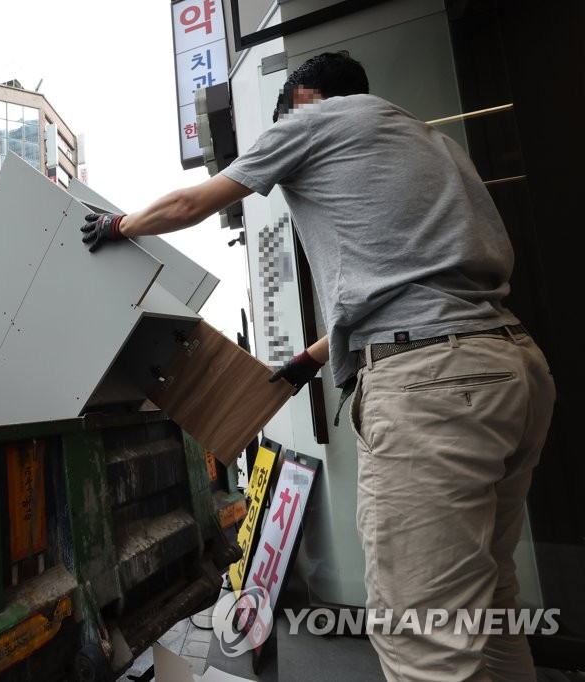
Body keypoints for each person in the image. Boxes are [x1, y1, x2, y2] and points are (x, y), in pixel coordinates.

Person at [82, 51, 555, 681]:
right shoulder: (434, 145)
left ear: (304, 97)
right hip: (511, 368)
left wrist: (118, 224)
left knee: (423, 636)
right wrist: (307, 360)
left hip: (434, 385)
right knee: (489, 604)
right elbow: (409, 283)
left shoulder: (312, 121)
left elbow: (189, 204)